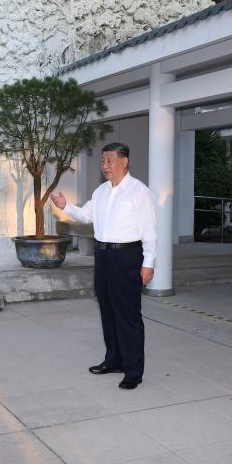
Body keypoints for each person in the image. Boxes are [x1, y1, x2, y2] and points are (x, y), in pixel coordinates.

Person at [50, 142, 158, 390]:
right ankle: (114, 360)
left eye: (110, 160)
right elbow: (86, 216)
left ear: (124, 161)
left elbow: (150, 231)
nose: (105, 166)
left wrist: (148, 263)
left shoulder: (139, 192)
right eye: (102, 161)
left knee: (128, 315)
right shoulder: (100, 191)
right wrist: (66, 206)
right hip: (103, 256)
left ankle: (133, 371)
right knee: (108, 311)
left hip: (127, 256)